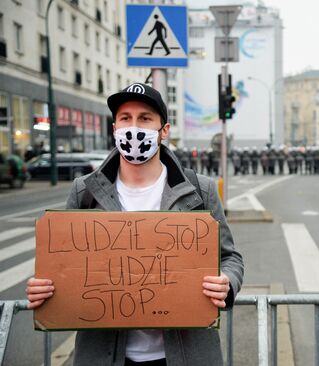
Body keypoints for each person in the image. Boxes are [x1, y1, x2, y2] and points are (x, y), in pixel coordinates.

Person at [25, 83, 244, 366]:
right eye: (125, 118)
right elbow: (65, 264)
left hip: (184, 354)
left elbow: (230, 257)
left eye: (145, 118)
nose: (134, 126)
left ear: (164, 130)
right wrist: (44, 286)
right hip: (106, 355)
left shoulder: (199, 190)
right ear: (114, 127)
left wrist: (227, 282)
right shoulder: (85, 191)